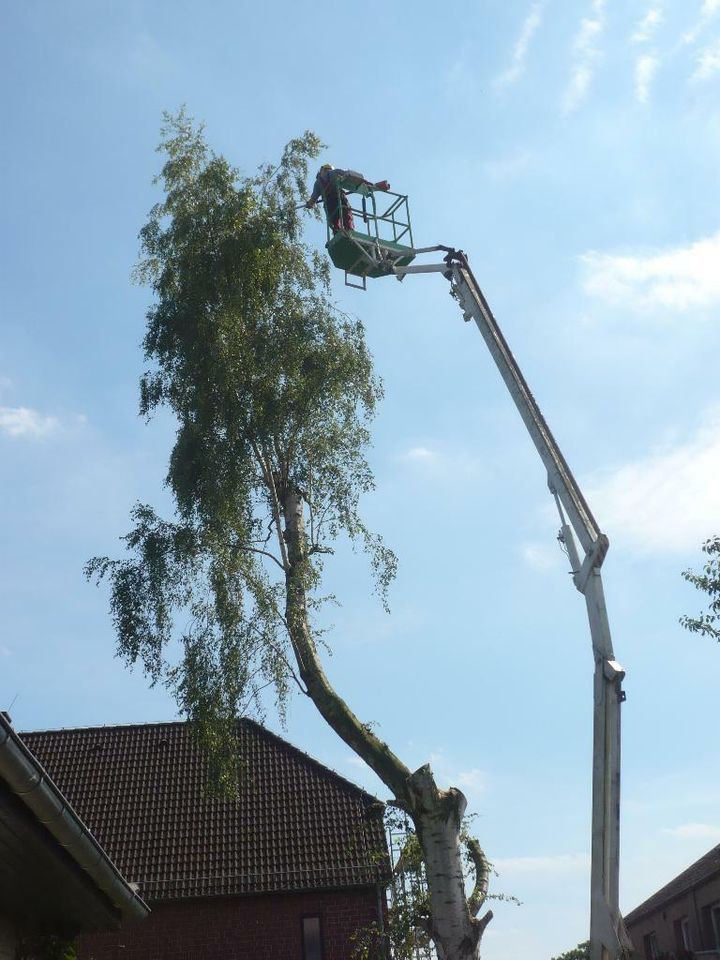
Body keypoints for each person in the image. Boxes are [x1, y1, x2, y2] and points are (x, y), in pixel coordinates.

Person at [306, 164, 390, 233]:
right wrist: (371, 185)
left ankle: (338, 233)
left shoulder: (317, 183)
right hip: (338, 198)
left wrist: (309, 204)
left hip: (329, 204)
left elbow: (313, 199)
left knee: (334, 221)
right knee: (346, 214)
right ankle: (349, 231)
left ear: (321, 171)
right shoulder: (335, 172)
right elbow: (352, 177)